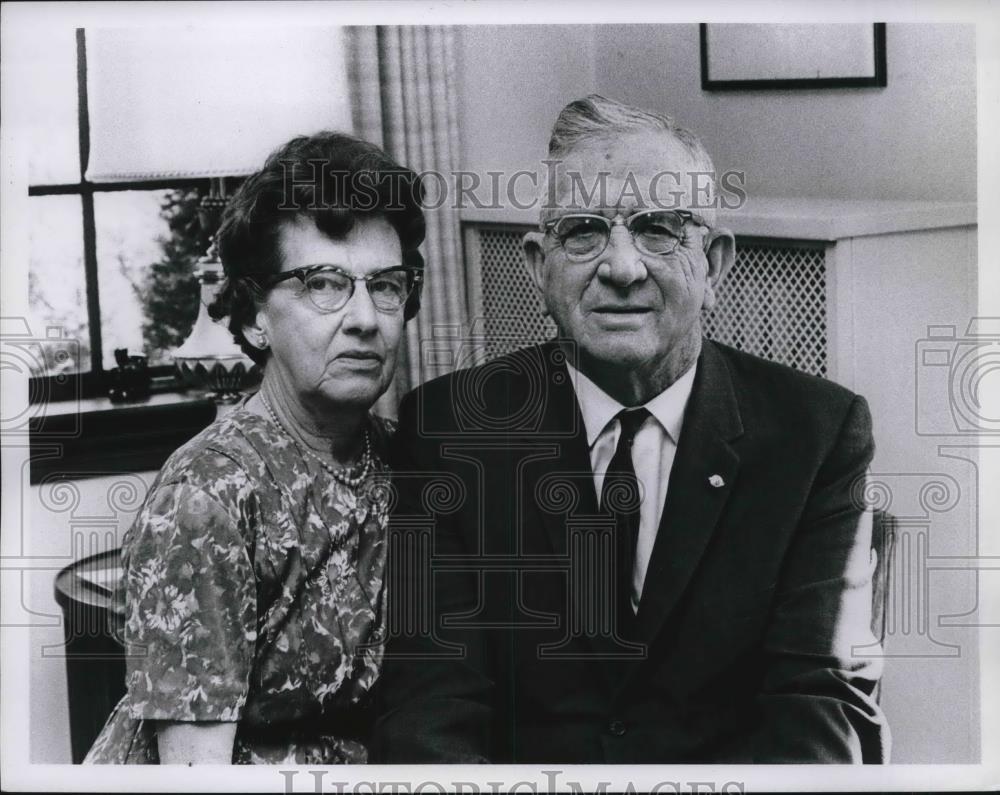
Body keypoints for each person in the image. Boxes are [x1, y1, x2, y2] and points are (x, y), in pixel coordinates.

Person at [373, 95, 889, 763]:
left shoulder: (816, 436)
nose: (621, 267)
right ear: (539, 266)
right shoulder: (449, 430)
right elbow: (432, 705)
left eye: (659, 228)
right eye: (584, 230)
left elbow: (818, 708)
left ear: (715, 264)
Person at [84, 131, 426, 764]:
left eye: (385, 284)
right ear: (251, 318)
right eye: (323, 283)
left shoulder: (405, 459)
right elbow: (195, 777)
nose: (364, 318)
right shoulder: (205, 501)